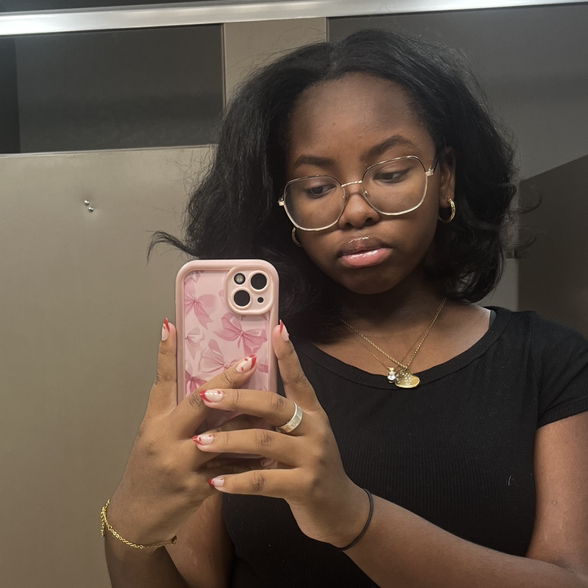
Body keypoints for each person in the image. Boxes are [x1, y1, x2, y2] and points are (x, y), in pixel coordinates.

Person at [102, 29, 588, 587]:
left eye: (391, 173)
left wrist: (351, 517)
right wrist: (128, 525)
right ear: (286, 207)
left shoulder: (550, 363)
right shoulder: (247, 370)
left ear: (446, 177)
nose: (355, 210)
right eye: (316, 187)